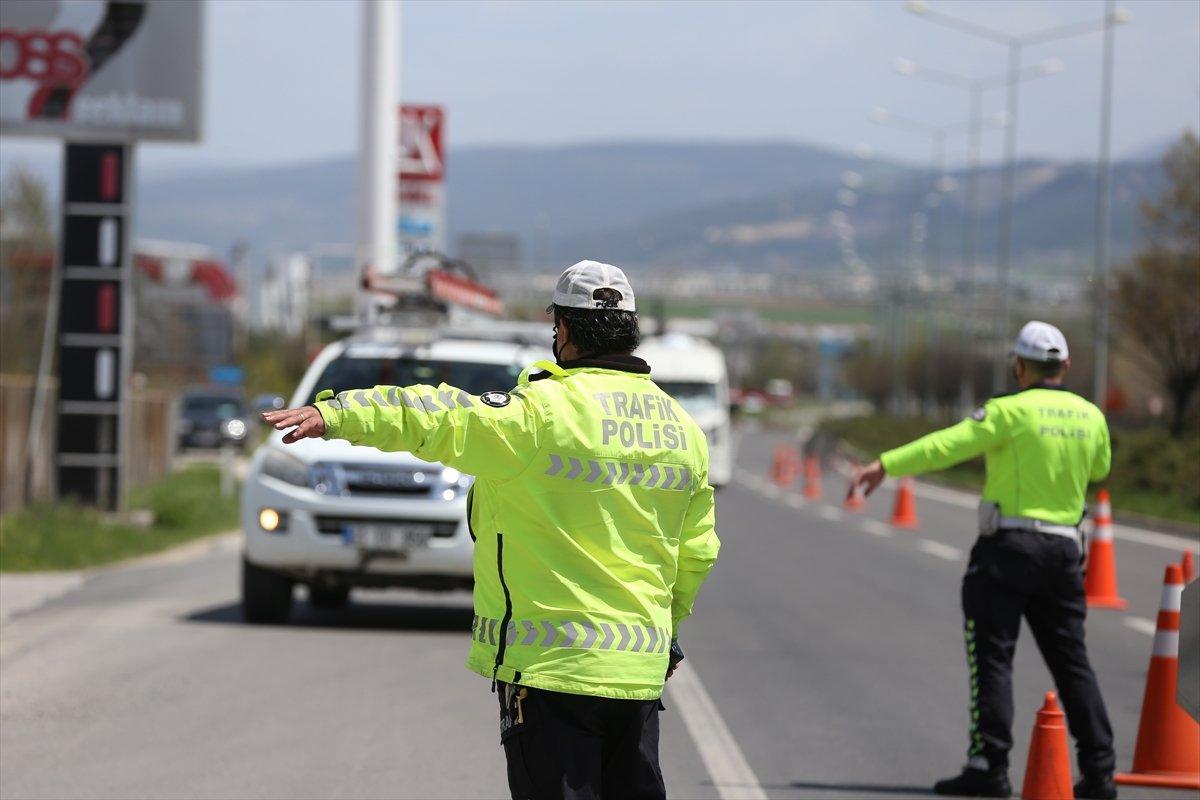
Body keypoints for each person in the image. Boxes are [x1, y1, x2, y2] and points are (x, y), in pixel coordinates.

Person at [263, 260, 720, 800]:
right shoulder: (681, 428)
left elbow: (438, 416)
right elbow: (696, 553)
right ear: (630, 330)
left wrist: (339, 412)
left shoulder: (541, 414)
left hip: (551, 675)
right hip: (638, 672)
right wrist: (662, 631)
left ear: (564, 330)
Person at [848, 321, 1117, 800]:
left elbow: (947, 445)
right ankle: (1100, 772)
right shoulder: (1090, 416)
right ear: (1067, 366)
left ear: (1019, 366)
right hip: (1064, 552)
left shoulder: (1008, 411)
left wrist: (886, 463)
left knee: (993, 657)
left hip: (1009, 549)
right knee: (1073, 661)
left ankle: (989, 765)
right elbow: (1100, 470)